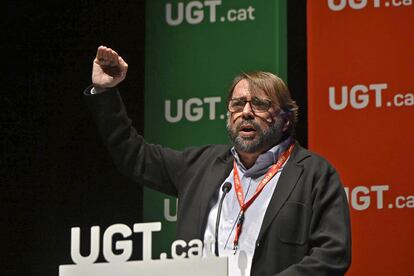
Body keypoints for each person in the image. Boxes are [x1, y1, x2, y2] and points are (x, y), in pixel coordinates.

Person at [85, 46, 351, 275]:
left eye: (258, 104)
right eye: (237, 104)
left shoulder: (315, 174)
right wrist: (105, 92)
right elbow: (133, 155)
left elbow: (332, 255)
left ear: (286, 119)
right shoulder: (200, 166)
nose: (246, 112)